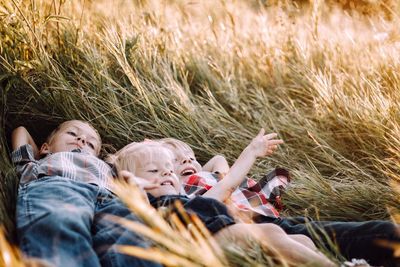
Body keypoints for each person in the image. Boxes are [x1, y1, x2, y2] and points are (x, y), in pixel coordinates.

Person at [159, 135, 400, 267]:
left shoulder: (207, 176)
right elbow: (227, 181)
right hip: (253, 230)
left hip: (279, 222)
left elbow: (218, 159)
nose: (188, 163)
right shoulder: (178, 193)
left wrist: (211, 171)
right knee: (349, 244)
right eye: (177, 162)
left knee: (385, 232)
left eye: (191, 158)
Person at [112, 140, 336, 267]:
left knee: (301, 239)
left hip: (229, 237)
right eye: (153, 170)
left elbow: (228, 182)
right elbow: (130, 193)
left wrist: (250, 152)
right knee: (269, 232)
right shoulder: (154, 205)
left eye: (170, 169)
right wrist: (133, 182)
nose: (166, 173)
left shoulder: (196, 201)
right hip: (208, 241)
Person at [11, 120, 161, 267]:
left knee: (131, 243)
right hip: (60, 187)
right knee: (59, 224)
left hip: (110, 199)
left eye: (91, 144)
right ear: (45, 147)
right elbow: (21, 130)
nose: (82, 139)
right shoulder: (36, 165)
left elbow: (130, 157)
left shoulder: (107, 167)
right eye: (72, 133)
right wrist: (43, 155)